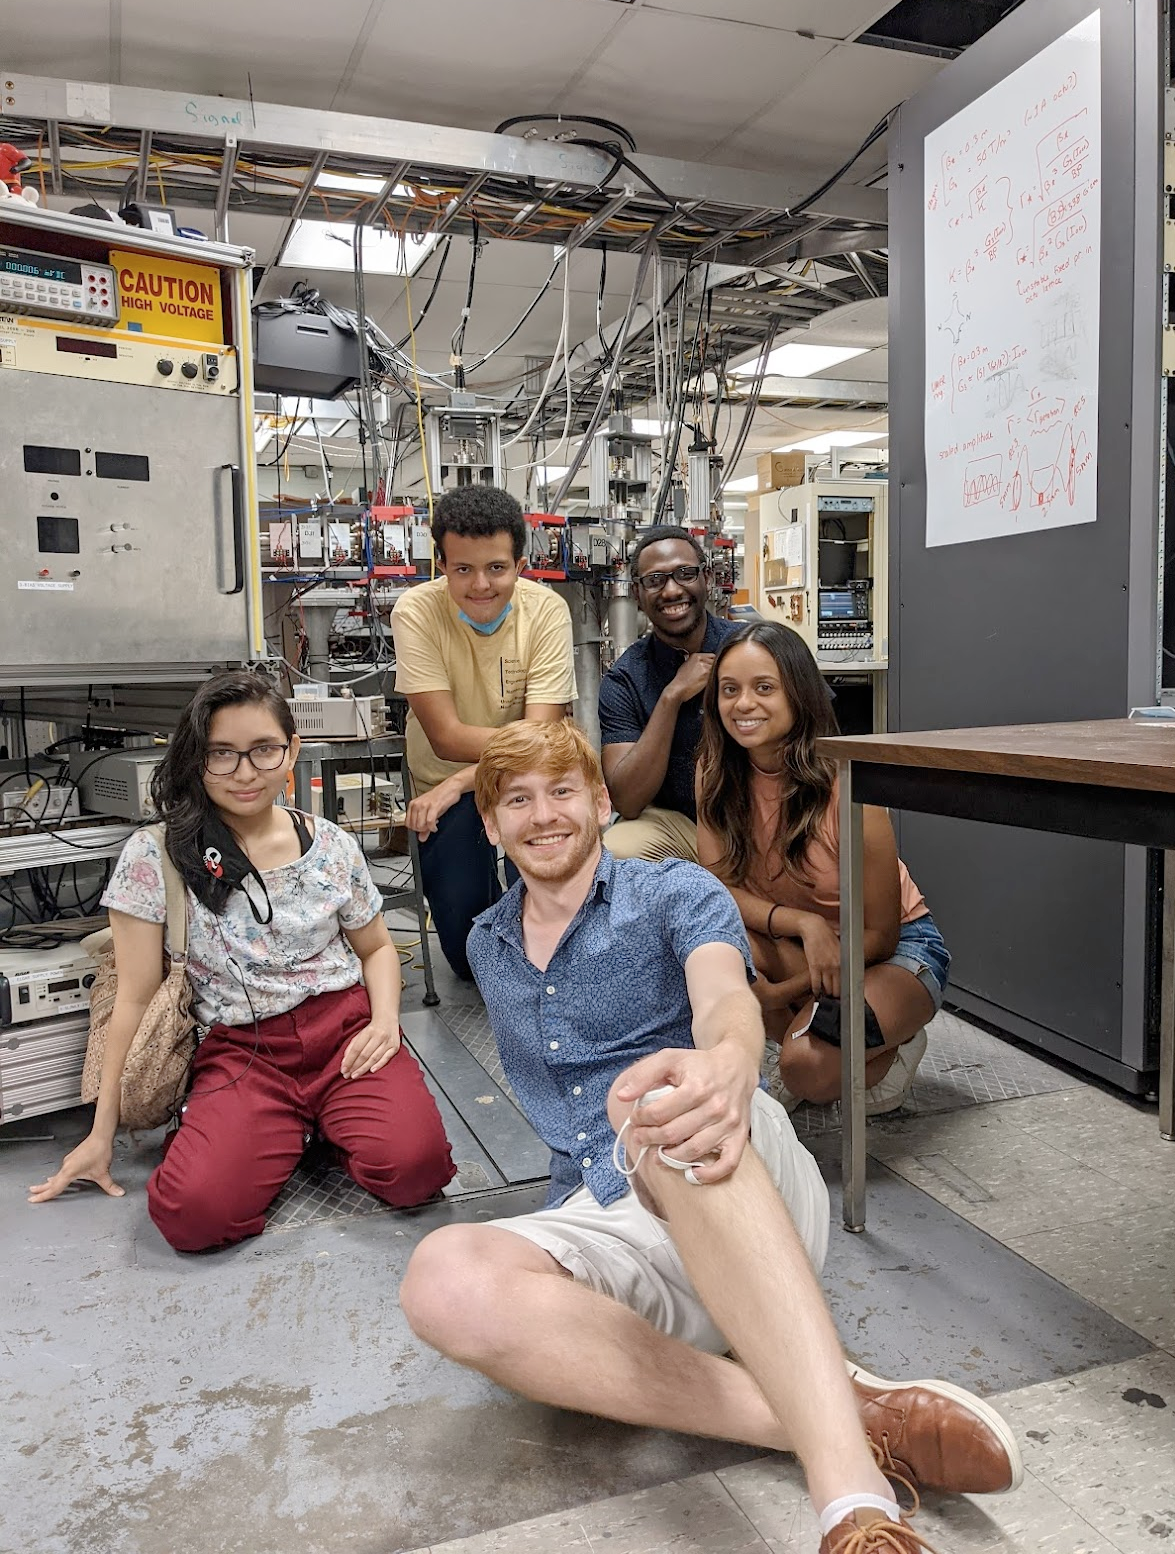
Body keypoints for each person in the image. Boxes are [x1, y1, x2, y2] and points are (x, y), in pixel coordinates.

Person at [400, 719, 1018, 1554]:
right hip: (612, 1217)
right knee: (440, 1277)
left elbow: (723, 996)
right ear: (489, 819)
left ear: (601, 800)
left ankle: (852, 1502)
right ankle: (840, 1413)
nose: (543, 815)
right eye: (517, 799)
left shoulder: (674, 893)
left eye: (562, 791)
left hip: (727, 1162)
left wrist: (729, 1060)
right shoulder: (488, 943)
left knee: (656, 1099)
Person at [28, 672, 455, 1250]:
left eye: (263, 751)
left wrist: (384, 1023)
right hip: (241, 1050)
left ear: (292, 751)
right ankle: (288, 1129)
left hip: (345, 1036)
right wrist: (102, 1131)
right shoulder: (157, 856)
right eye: (221, 754)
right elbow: (132, 998)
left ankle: (326, 1125)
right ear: (195, 759)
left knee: (415, 1172)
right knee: (192, 1215)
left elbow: (378, 948)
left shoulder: (331, 846)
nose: (245, 772)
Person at [697, 622, 949, 1115]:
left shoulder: (848, 780)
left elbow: (881, 934)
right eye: (730, 690)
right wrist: (804, 924)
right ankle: (828, 1030)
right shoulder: (714, 770)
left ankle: (892, 1042)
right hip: (799, 945)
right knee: (709, 949)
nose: (743, 704)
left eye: (764, 687)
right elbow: (718, 886)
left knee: (805, 1067)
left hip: (891, 955)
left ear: (799, 692)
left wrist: (779, 994)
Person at [393, 484, 577, 980]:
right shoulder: (415, 612)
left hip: (527, 784)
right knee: (470, 957)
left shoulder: (547, 611)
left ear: (519, 563)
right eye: (463, 569)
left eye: (496, 567)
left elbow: (542, 741)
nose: (481, 585)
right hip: (445, 791)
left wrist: (461, 778)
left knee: (558, 923)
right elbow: (446, 738)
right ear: (442, 564)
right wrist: (455, 785)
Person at [599, 526, 736, 862]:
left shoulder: (756, 647)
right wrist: (671, 696)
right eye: (655, 580)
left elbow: (818, 737)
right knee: (618, 851)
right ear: (636, 592)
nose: (672, 590)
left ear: (707, 577)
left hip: (763, 817)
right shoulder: (626, 680)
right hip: (681, 827)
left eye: (685, 574)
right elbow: (627, 801)